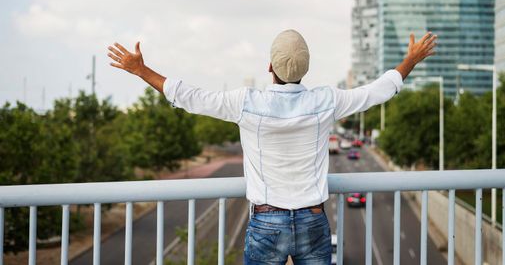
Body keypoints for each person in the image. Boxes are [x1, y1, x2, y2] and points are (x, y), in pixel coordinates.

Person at [107, 29, 436, 264]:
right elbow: (380, 90)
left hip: (266, 223)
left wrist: (140, 70)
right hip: (313, 220)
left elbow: (189, 97)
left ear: (270, 68)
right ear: (305, 69)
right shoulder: (327, 101)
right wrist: (411, 59)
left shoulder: (246, 103)